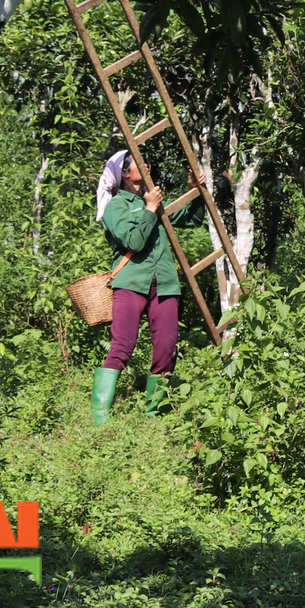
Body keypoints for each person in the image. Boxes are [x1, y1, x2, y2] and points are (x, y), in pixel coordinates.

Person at [91, 150, 203, 424]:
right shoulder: (116, 206)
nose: (147, 164)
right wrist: (150, 209)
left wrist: (196, 192)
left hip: (164, 284)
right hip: (131, 283)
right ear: (125, 174)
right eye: (138, 163)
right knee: (122, 346)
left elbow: (192, 219)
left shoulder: (153, 200)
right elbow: (134, 241)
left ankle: (154, 416)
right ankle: (99, 419)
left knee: (166, 349)